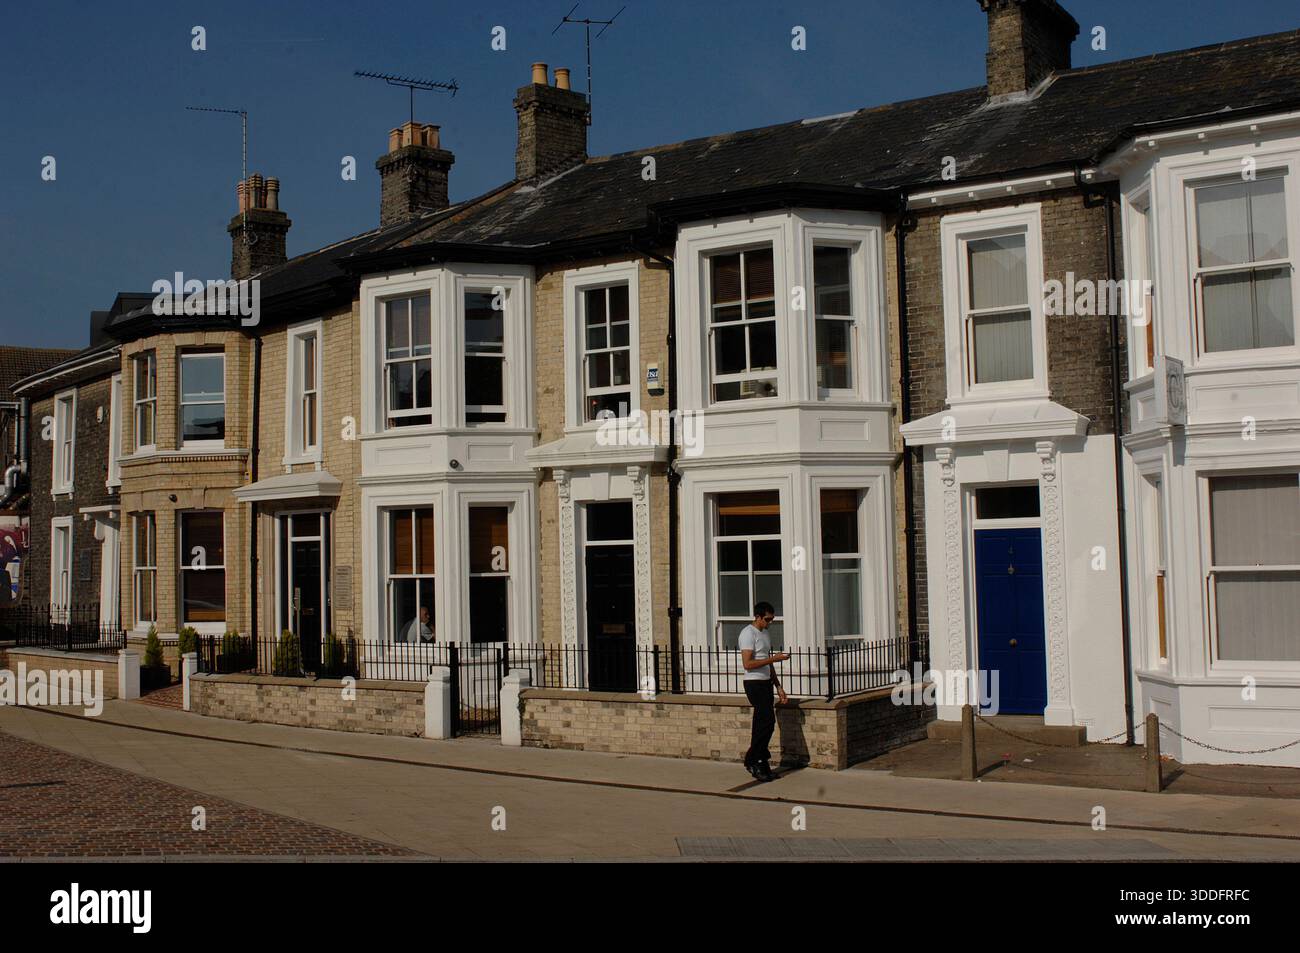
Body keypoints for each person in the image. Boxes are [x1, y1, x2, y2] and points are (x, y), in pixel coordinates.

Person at [738, 601, 788, 781]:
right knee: (765, 721)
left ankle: (759, 760)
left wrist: (778, 686)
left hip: (766, 682)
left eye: (772, 619)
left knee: (766, 723)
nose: (770, 622)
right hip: (753, 684)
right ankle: (754, 760)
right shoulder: (747, 634)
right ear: (758, 617)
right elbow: (748, 664)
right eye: (767, 619)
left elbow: (768, 663)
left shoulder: (765, 633)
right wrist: (774, 658)